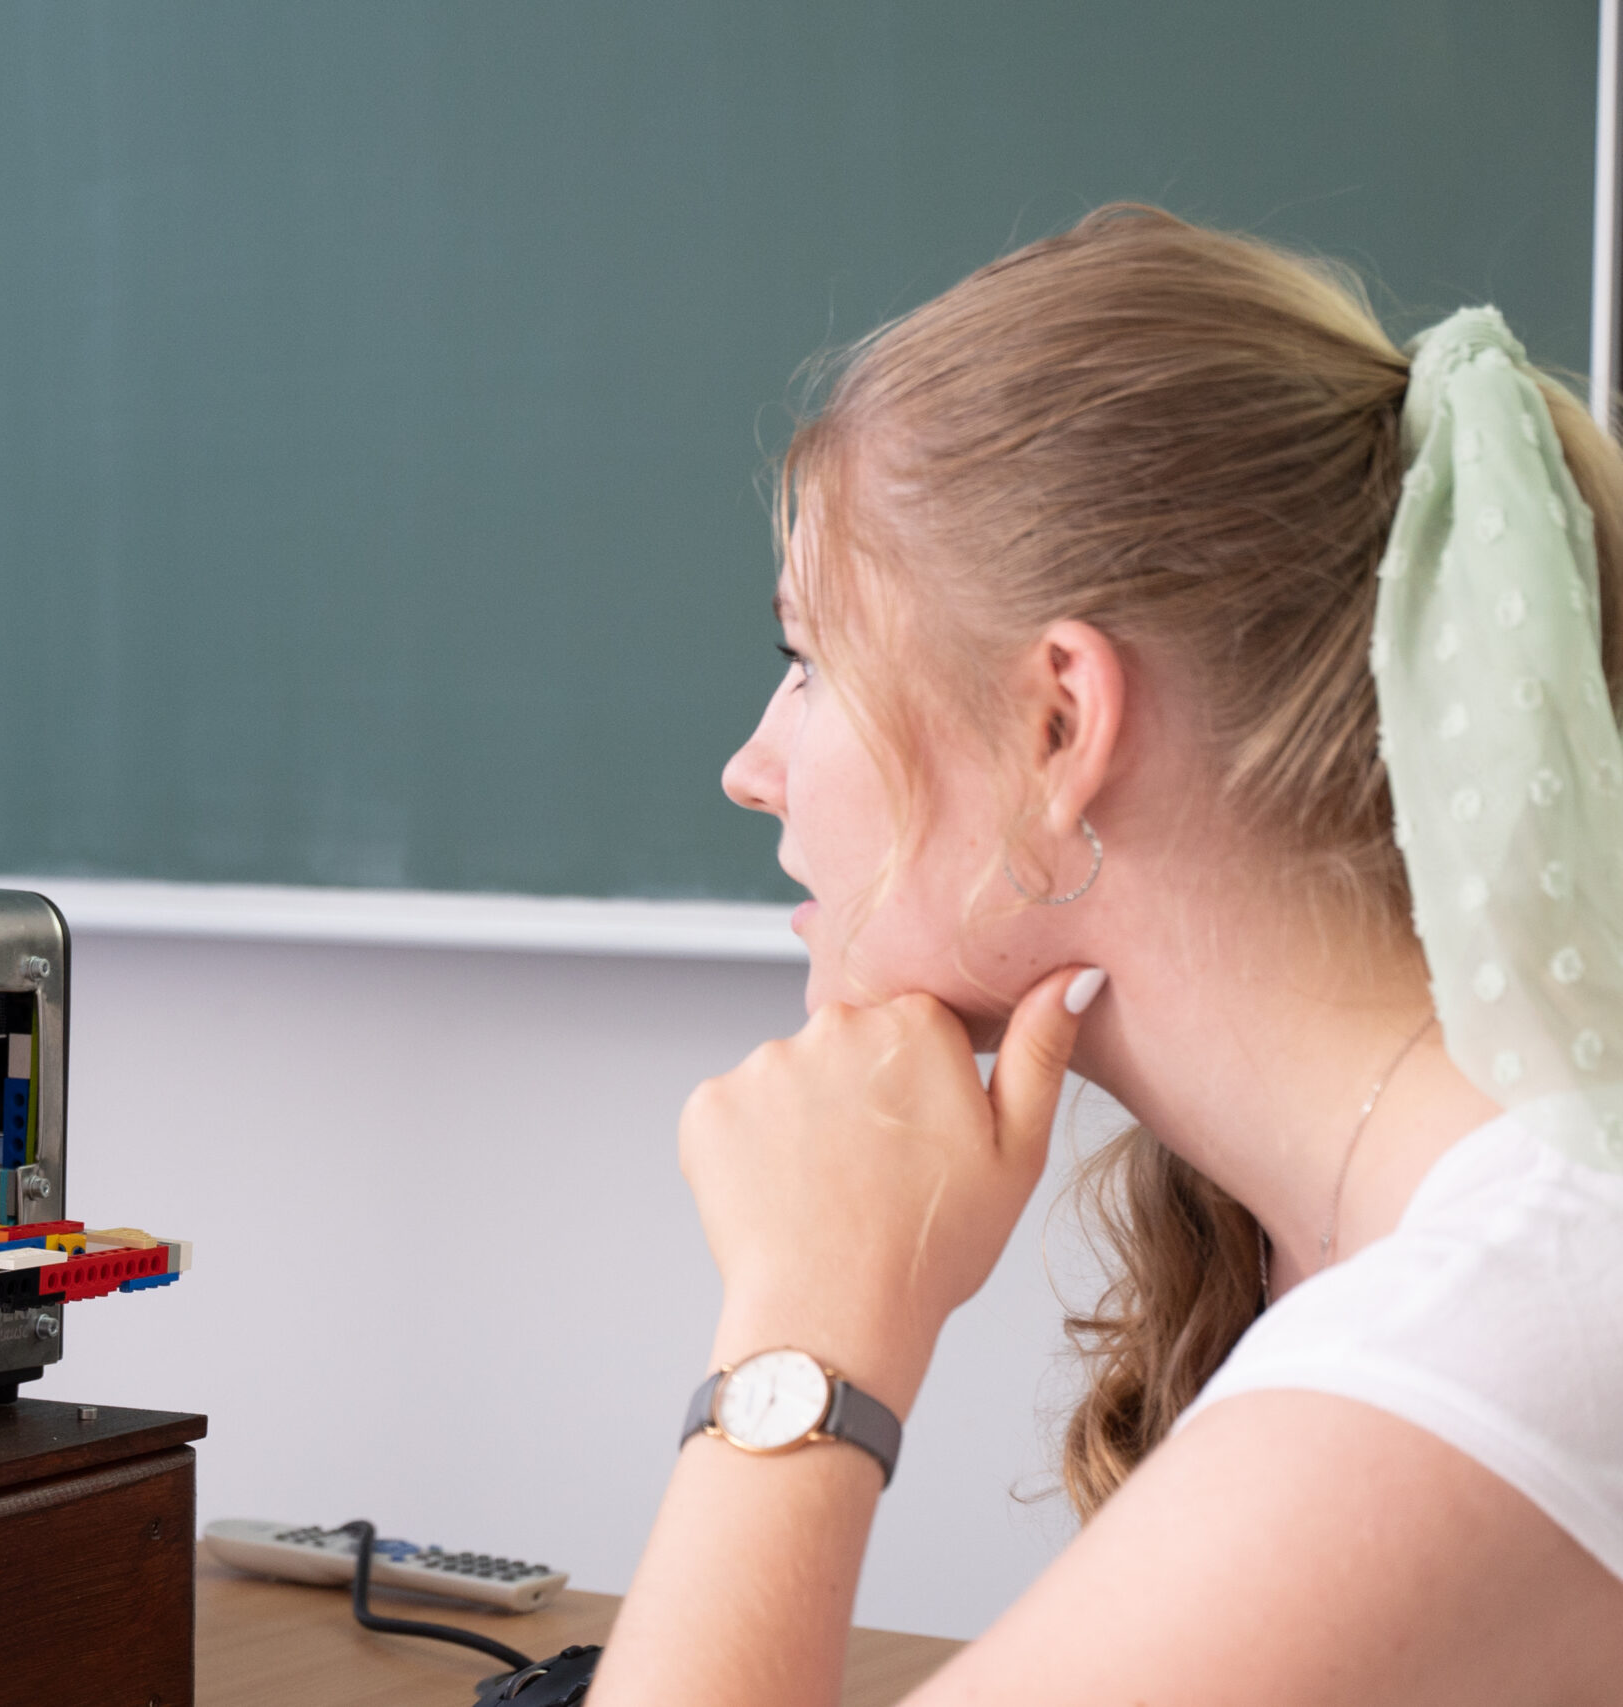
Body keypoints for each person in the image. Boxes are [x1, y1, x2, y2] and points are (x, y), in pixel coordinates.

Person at [592, 206, 1623, 1705]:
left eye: (808, 665)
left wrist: (805, 1338)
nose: (753, 768)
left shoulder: (1488, 1337)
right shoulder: (1448, 1237)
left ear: (1059, 725)